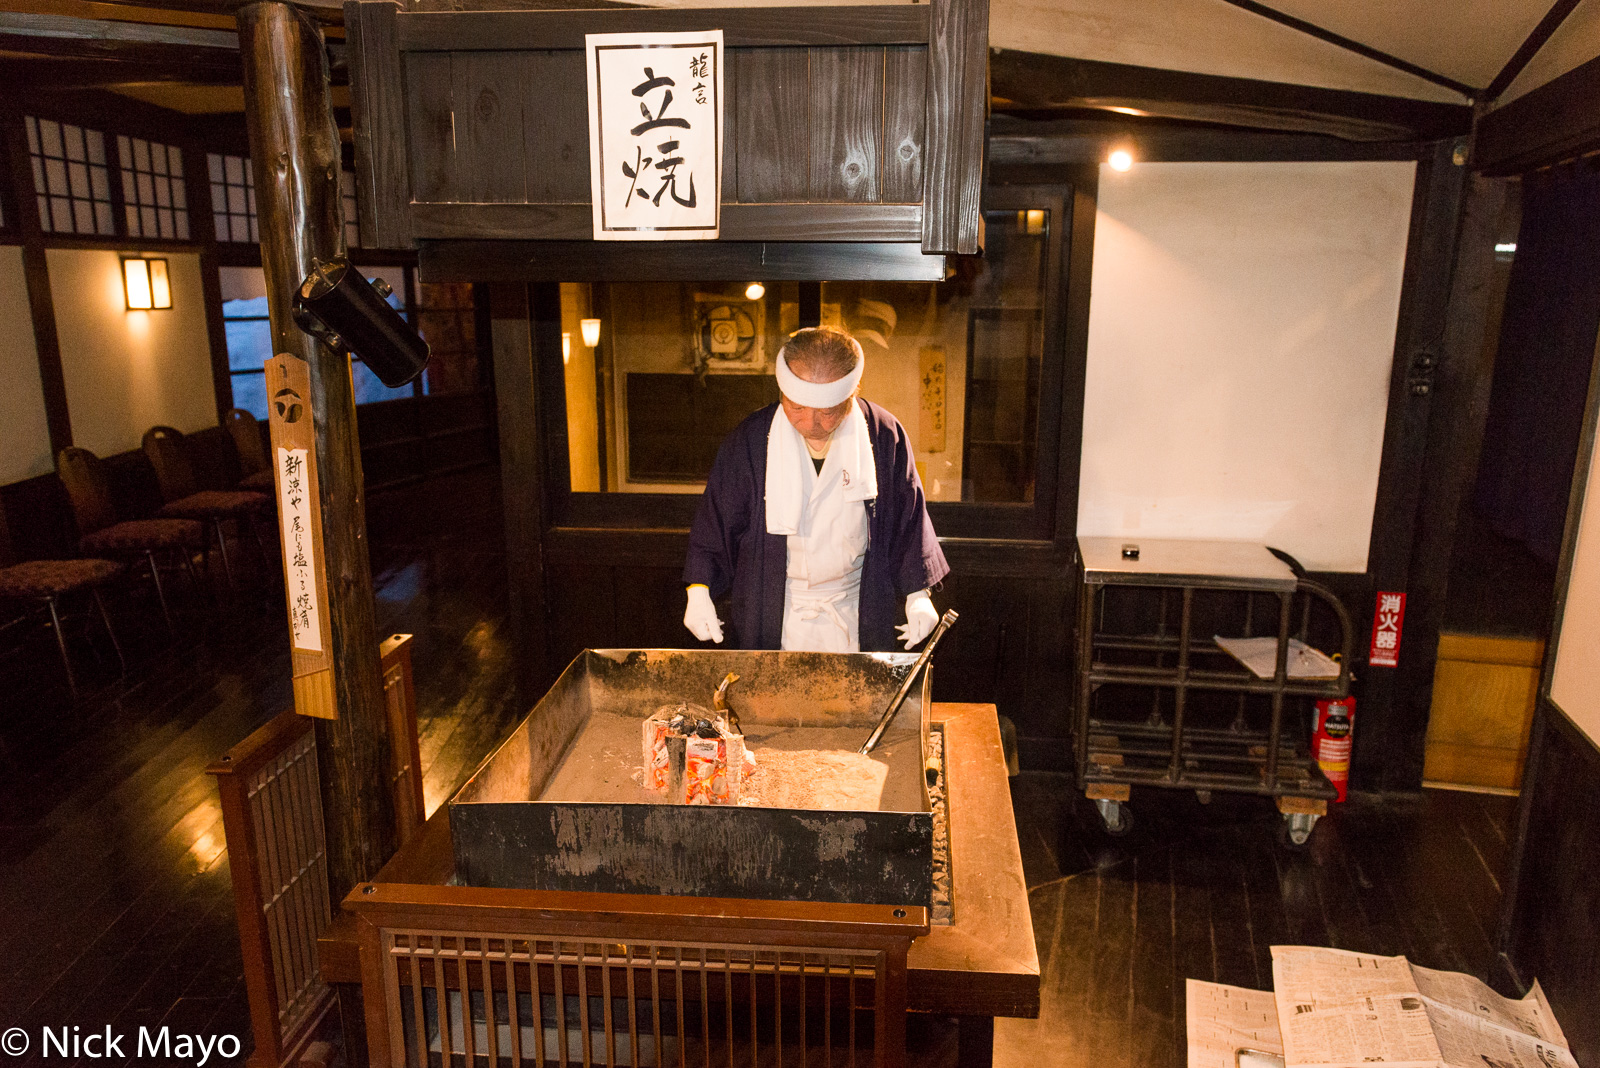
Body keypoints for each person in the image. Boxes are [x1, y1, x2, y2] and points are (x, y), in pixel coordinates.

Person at [682, 326, 948, 652]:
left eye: (827, 412)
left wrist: (918, 595)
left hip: (855, 608)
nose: (811, 425)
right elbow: (716, 524)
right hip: (774, 611)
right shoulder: (750, 440)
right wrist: (698, 590)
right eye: (797, 408)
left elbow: (908, 523)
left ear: (852, 396)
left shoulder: (882, 435)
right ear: (781, 393)